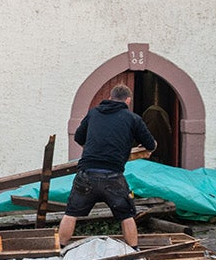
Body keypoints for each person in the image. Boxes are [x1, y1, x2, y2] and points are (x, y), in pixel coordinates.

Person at [59, 85, 157, 249]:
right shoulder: (133, 119)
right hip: (113, 176)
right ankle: (133, 251)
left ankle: (60, 248)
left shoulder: (94, 113)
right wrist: (151, 145)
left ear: (111, 98)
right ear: (128, 100)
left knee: (71, 213)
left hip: (86, 174)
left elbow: (78, 137)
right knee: (126, 215)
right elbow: (150, 144)